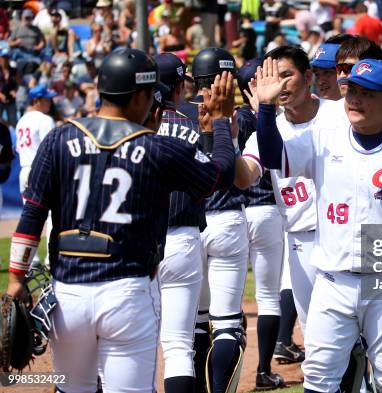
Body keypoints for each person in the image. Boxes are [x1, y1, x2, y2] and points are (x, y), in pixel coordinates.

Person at [5, 48, 236, 393]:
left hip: (69, 295)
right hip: (126, 293)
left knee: (72, 389)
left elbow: (32, 214)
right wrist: (219, 122)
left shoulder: (58, 138)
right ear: (142, 95)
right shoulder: (157, 148)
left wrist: (15, 279)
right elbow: (220, 175)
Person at [255, 55, 382, 393]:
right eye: (351, 91)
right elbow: (274, 157)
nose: (355, 100)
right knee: (320, 376)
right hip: (331, 281)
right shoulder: (325, 138)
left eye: (367, 93)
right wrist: (265, 109)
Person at [187, 48, 251, 393]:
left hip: (187, 225)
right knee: (226, 323)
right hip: (227, 220)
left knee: (194, 324)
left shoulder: (176, 116)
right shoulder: (243, 116)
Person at [150, 52, 207, 393]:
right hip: (184, 238)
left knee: (133, 348)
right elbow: (216, 176)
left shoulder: (137, 123)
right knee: (177, 348)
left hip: (141, 243)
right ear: (178, 87)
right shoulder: (197, 119)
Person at [235, 58, 291, 389]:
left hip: (235, 213)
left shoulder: (232, 116)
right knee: (268, 296)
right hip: (267, 210)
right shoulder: (273, 119)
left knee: (226, 302)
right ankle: (262, 372)